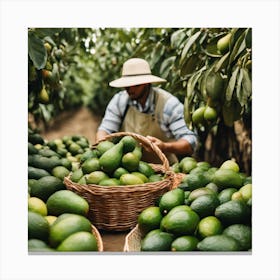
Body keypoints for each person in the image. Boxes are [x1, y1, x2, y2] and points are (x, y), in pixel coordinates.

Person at [96, 58, 198, 164]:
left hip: (165, 172)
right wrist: (103, 148)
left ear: (147, 83)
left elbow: (190, 141)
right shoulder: (120, 101)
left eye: (135, 85)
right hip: (128, 170)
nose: (130, 89)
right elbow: (105, 130)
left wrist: (165, 146)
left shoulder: (168, 104)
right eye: (126, 85)